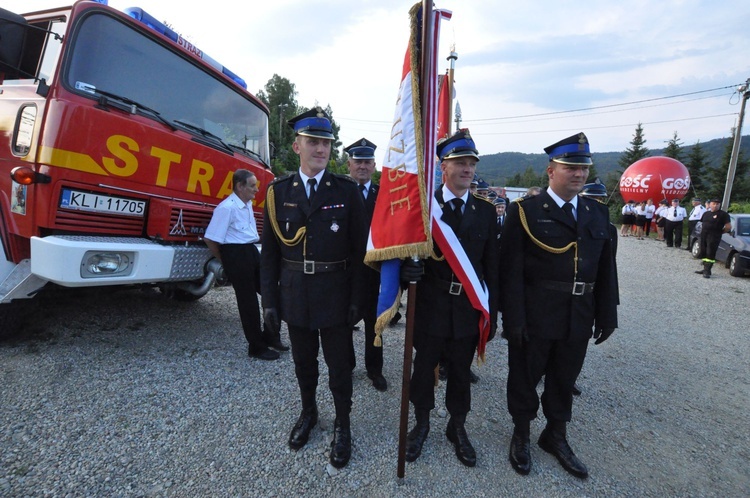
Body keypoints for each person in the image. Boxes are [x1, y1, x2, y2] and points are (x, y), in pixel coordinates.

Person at [500, 132, 618, 479]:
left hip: (578, 312)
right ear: (551, 170)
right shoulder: (526, 211)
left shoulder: (597, 213)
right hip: (537, 312)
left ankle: (555, 434)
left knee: (565, 377)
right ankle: (521, 432)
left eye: (583, 168)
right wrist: (514, 318)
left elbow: (606, 268)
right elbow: (511, 272)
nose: (579, 174)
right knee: (525, 376)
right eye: (570, 167)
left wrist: (607, 313)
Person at [260, 107, 368, 469]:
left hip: (336, 293)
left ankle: (343, 423)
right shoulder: (277, 192)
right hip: (295, 293)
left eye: (326, 143)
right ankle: (309, 412)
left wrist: (358, 299)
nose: (321, 149)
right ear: (296, 146)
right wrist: (269, 302)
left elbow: (359, 252)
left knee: (340, 366)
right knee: (303, 362)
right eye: (313, 142)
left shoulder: (347, 191)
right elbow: (270, 255)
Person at [400, 129, 499, 468]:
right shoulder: (425, 207)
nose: (467, 169)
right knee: (423, 368)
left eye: (471, 163)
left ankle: (457, 427)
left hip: (466, 308)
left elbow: (491, 267)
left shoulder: (486, 213)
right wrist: (405, 273)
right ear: (443, 167)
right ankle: (422, 423)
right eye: (459, 162)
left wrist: (492, 313)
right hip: (430, 305)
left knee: (460, 371)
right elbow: (405, 252)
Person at [204, 169, 282, 361]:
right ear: (240, 186)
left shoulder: (246, 205)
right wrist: (226, 260)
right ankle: (256, 347)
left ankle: (271, 336)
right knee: (248, 304)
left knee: (270, 292)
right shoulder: (226, 208)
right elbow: (210, 238)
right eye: (252, 186)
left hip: (251, 251)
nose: (256, 190)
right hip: (235, 254)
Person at [344, 137, 387, 392]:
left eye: (367, 162)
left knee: (375, 324)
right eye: (357, 161)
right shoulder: (338, 191)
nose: (362, 166)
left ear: (374, 166)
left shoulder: (384, 195)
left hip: (374, 271)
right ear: (348, 164)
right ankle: (346, 366)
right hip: (346, 270)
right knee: (345, 322)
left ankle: (375, 369)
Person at [694, 198, 731, 278]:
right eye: (714, 203)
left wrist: (720, 232)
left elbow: (728, 227)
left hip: (714, 236)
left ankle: (707, 270)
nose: (715, 205)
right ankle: (704, 268)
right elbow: (702, 223)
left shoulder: (723, 214)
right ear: (710, 204)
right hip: (704, 235)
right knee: (703, 251)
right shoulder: (706, 213)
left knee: (710, 252)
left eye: (717, 204)